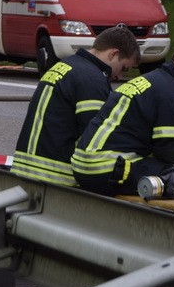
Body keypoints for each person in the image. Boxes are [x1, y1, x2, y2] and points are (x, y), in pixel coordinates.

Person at [71, 43, 174, 201]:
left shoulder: (151, 81)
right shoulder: (173, 94)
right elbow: (173, 152)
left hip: (84, 165)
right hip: (107, 168)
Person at [12, 26, 141, 186]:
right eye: (123, 68)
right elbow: (94, 139)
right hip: (56, 176)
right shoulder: (92, 80)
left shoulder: (66, 66)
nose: (120, 76)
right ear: (113, 54)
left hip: (24, 169)